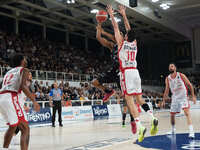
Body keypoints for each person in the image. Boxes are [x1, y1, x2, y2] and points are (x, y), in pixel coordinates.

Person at [107, 4, 158, 142]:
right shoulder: (134, 43)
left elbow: (116, 28)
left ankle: (140, 126)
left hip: (127, 73)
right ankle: (153, 117)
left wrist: (111, 15)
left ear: (126, 36)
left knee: (129, 100)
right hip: (136, 72)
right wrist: (124, 15)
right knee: (140, 99)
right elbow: (130, 29)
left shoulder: (122, 43)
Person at [0, 53, 40, 150]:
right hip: (11, 97)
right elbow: (23, 86)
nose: (26, 61)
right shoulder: (24, 70)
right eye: (25, 59)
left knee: (13, 127)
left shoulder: (8, 72)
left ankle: (5, 148)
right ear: (22, 61)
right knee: (25, 128)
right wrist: (34, 101)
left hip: (2, 97)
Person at [162, 63, 196, 138]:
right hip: (175, 97)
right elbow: (166, 90)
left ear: (175, 68)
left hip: (183, 96)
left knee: (187, 113)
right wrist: (164, 100)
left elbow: (189, 85)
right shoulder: (168, 78)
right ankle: (173, 129)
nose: (170, 67)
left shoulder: (181, 75)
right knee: (172, 115)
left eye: (172, 66)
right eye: (169, 67)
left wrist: (193, 96)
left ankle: (191, 131)